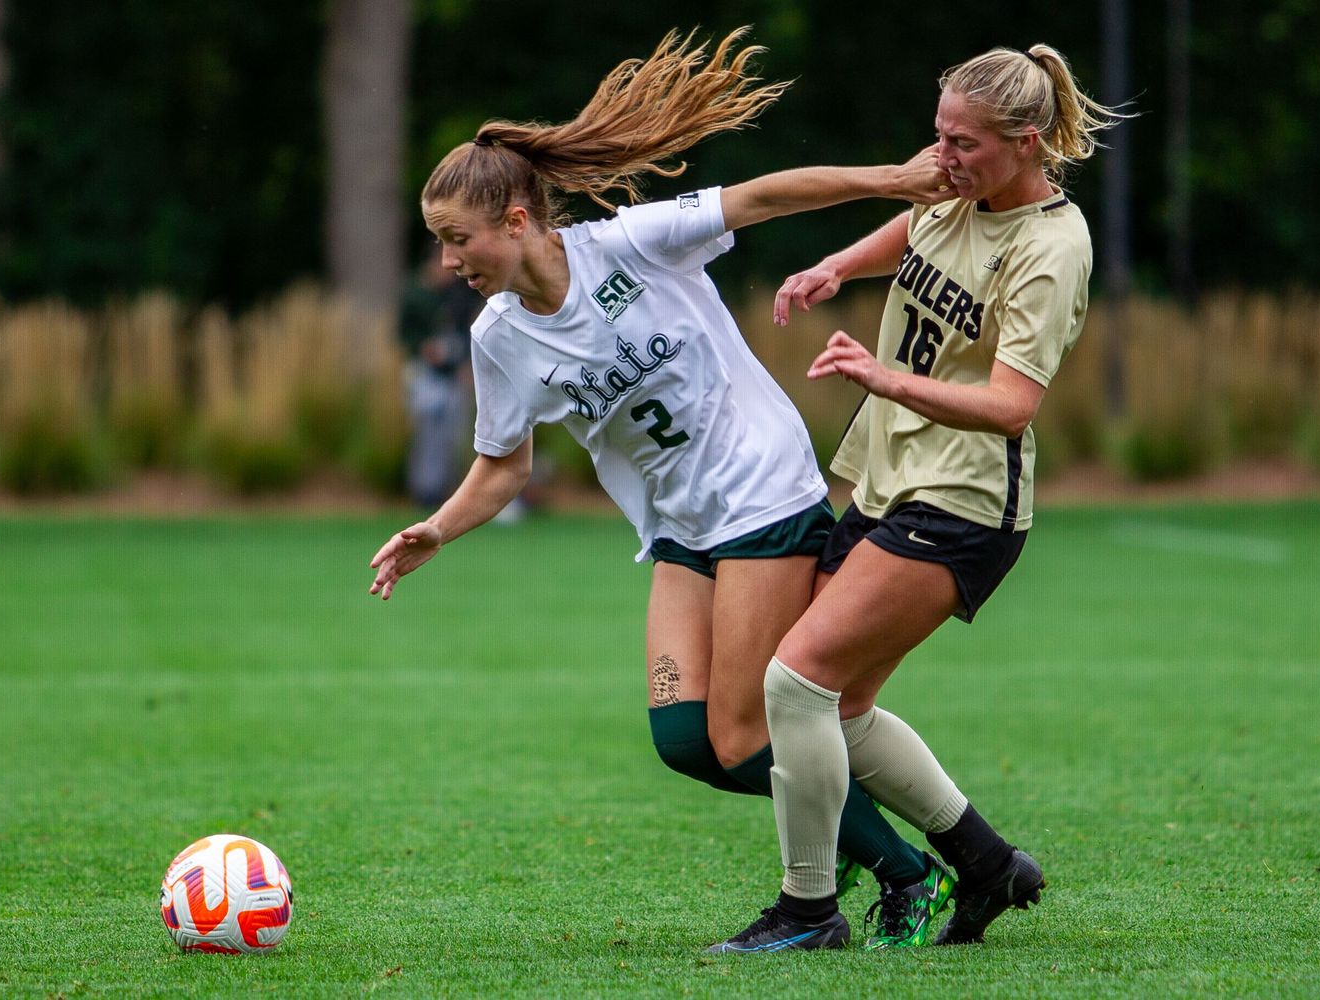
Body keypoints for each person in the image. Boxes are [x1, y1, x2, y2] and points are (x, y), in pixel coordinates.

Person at [367, 28, 959, 950]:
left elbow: (761, 196)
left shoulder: (628, 245)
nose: (448, 260)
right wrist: (437, 531)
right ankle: (899, 842)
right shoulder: (499, 338)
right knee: (687, 741)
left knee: (748, 729)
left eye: (456, 238)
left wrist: (895, 178)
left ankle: (904, 877)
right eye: (439, 242)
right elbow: (505, 466)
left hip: (761, 492)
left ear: (517, 222)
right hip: (684, 526)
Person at [711, 44, 1126, 953]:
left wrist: (883, 377)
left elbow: (1013, 406)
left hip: (964, 502)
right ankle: (985, 865)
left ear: (1026, 142)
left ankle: (808, 913)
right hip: (888, 474)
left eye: (963, 143)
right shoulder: (956, 187)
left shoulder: (1052, 247)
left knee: (796, 681)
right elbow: (917, 226)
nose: (941, 157)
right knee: (837, 708)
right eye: (937, 134)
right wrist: (835, 266)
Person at [399, 247, 482, 508]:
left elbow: (466, 332)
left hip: (454, 374)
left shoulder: (458, 293)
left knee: (453, 435)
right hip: (425, 375)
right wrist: (423, 349)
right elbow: (403, 335)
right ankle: (424, 491)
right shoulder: (415, 294)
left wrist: (465, 364)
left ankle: (448, 489)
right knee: (427, 434)